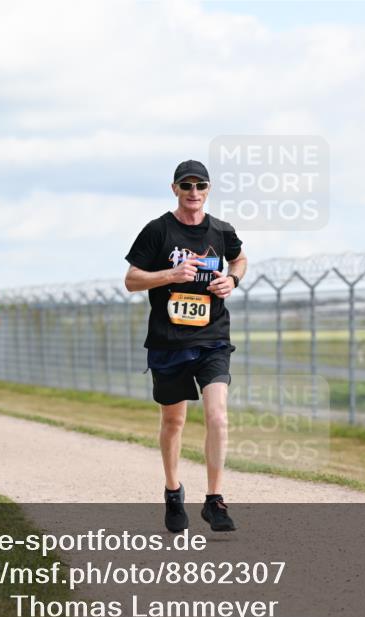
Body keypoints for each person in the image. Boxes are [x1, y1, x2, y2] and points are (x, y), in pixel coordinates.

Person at [124, 159, 247, 532]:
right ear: (175, 189)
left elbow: (239, 258)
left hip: (212, 338)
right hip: (169, 340)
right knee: (174, 420)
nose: (194, 192)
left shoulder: (221, 230)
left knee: (218, 415)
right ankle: (173, 490)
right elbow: (131, 280)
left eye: (201, 186)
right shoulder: (157, 230)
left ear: (209, 190)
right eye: (187, 185)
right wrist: (170, 275)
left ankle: (214, 500)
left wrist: (233, 280)